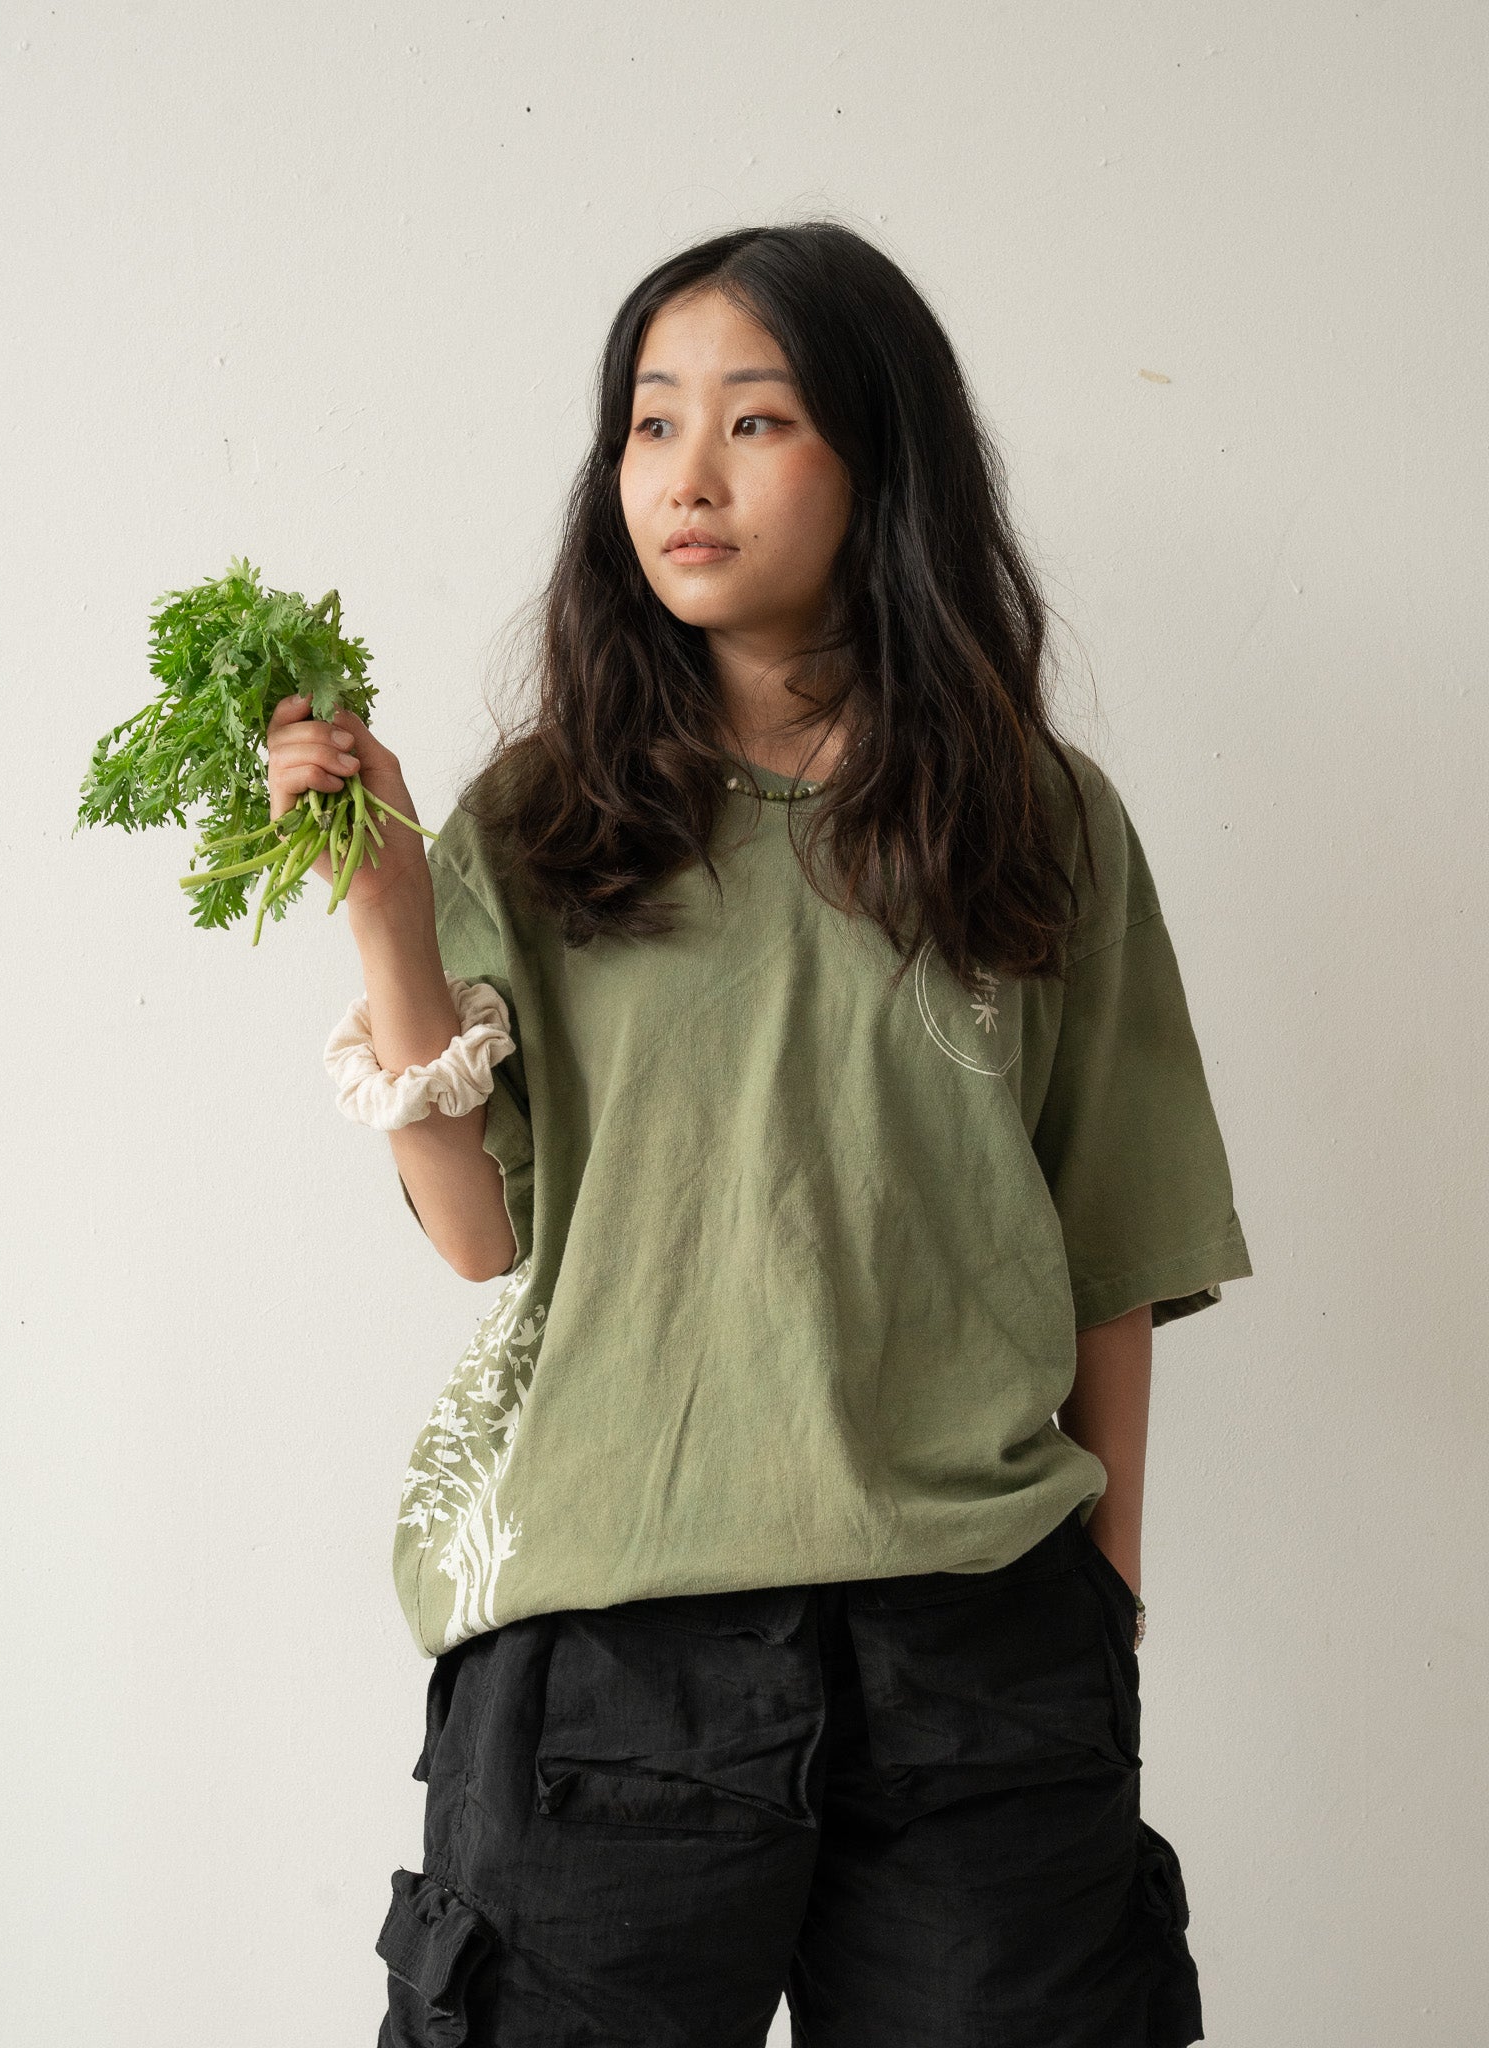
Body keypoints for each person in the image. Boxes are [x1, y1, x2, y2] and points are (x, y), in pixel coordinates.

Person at [269, 221, 1253, 2048]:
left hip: (980, 1659)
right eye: (648, 426)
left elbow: (1114, 1232)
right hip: (610, 1664)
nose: (686, 476)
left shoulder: (1038, 819)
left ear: (879, 464)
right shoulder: (545, 819)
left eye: (756, 419)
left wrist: (1101, 1607)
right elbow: (486, 1240)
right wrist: (391, 920)